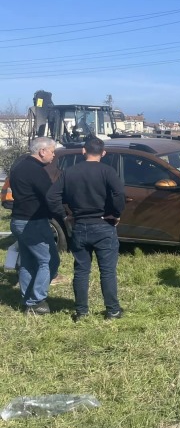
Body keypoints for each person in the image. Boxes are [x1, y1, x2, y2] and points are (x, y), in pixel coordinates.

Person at [47, 136, 125, 320]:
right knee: (107, 271)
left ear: (83, 151)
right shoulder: (108, 171)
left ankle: (81, 311)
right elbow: (119, 192)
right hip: (104, 224)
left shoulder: (69, 172)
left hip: (80, 225)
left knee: (81, 271)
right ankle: (112, 310)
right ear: (103, 153)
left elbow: (51, 197)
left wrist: (65, 215)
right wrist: (117, 212)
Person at [9, 137, 61, 315]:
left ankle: (27, 299)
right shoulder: (36, 170)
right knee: (49, 260)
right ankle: (36, 301)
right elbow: (50, 196)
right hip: (33, 222)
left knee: (28, 262)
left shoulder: (18, 167)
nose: (53, 155)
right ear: (42, 151)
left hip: (18, 219)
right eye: (52, 151)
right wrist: (62, 214)